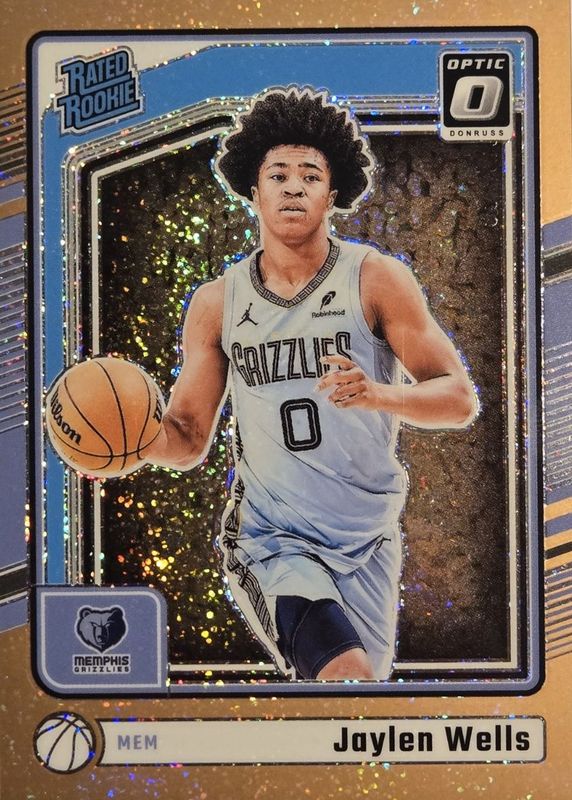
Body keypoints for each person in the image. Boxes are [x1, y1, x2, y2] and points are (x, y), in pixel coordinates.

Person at [143, 86, 477, 681]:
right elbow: (188, 437)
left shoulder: (376, 279)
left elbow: (458, 398)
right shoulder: (217, 303)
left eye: (310, 175)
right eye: (278, 175)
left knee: (359, 707)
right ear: (253, 190)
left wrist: (379, 394)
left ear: (333, 193)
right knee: (346, 673)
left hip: (367, 535)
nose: (293, 187)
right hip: (272, 539)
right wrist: (133, 444)